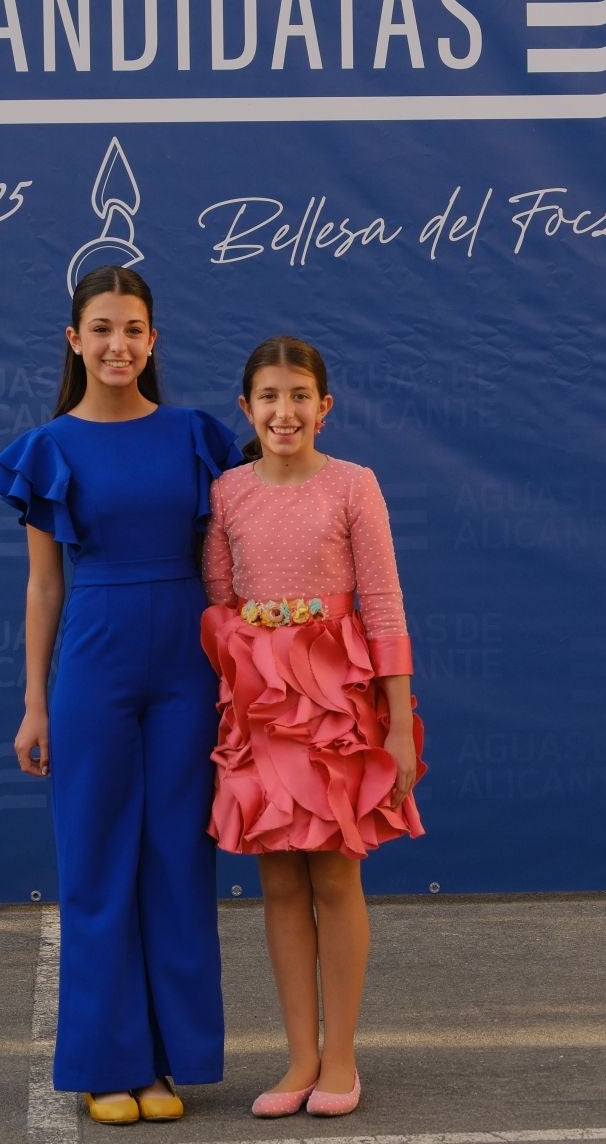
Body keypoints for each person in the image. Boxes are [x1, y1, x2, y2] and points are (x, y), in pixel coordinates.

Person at [0, 266, 242, 1126]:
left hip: (186, 663)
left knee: (176, 858)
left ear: (153, 341)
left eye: (133, 329)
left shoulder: (194, 436)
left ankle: (165, 1064)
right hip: (94, 661)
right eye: (101, 329)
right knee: (96, 862)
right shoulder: (47, 449)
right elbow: (43, 589)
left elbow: (226, 563)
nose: (117, 345)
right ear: (74, 340)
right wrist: (34, 702)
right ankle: (107, 1063)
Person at [199, 335, 426, 1119]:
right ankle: (297, 1056)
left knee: (334, 876)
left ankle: (341, 1057)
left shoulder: (354, 487)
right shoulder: (228, 493)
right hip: (260, 707)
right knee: (278, 884)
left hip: (336, 704)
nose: (283, 411)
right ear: (247, 408)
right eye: (269, 397)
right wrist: (247, 672)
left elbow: (386, 605)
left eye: (299, 397)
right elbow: (219, 601)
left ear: (324, 409)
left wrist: (398, 725)